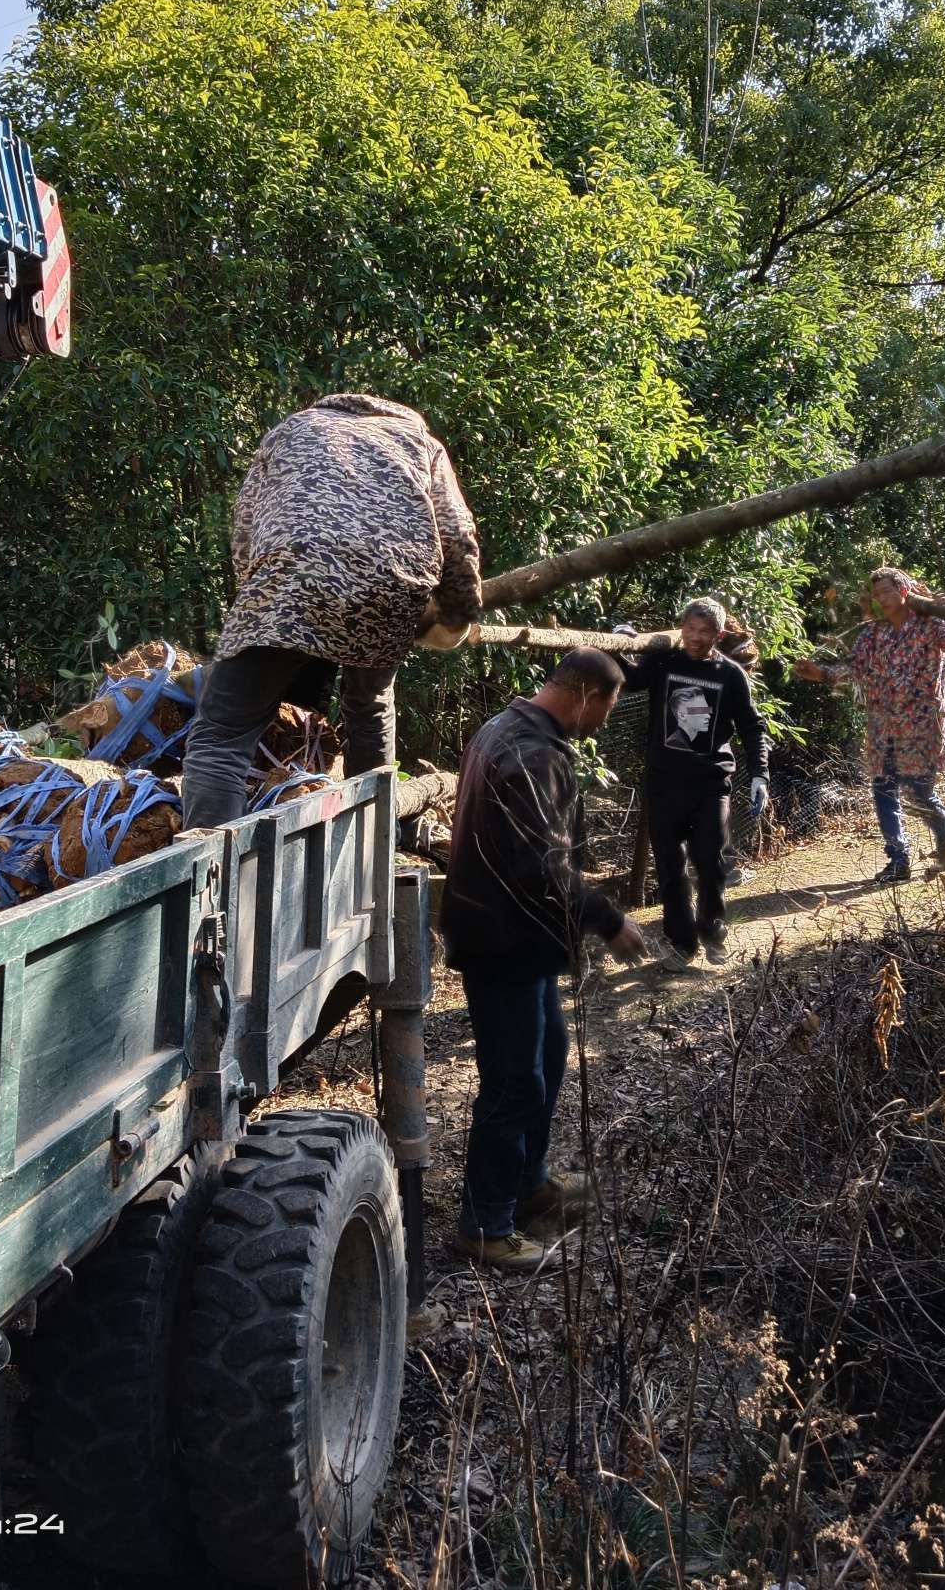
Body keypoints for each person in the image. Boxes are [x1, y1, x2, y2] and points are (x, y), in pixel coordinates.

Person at [181, 393, 481, 830]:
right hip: (393, 580)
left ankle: (210, 886)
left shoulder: (291, 430)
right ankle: (373, 853)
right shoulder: (419, 440)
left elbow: (246, 528)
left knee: (220, 740)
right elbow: (456, 532)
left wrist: (262, 602)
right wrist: (458, 610)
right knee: (369, 705)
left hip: (290, 571)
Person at [440, 650, 649, 1272]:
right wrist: (609, 921)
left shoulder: (507, 726)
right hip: (500, 938)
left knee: (549, 1054)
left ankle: (529, 1185)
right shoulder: (532, 753)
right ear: (585, 694)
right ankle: (486, 1223)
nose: (606, 721)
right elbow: (542, 868)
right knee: (514, 1083)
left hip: (515, 938)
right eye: (608, 707)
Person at [794, 566, 945, 885]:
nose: (881, 599)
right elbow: (856, 673)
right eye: (876, 594)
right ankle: (898, 858)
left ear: (905, 592)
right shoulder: (874, 634)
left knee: (918, 791)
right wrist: (820, 674)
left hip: (922, 725)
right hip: (883, 726)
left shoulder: (931, 624)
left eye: (887, 591)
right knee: (883, 789)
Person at [618, 598, 769, 969]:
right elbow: (633, 680)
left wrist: (760, 774)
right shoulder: (664, 662)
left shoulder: (730, 675)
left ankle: (714, 934)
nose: (696, 638)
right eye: (690, 629)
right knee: (670, 868)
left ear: (717, 634)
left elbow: (752, 726)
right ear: (681, 628)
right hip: (664, 784)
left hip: (710, 785)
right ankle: (681, 944)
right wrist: (620, 643)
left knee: (710, 862)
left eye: (704, 632)